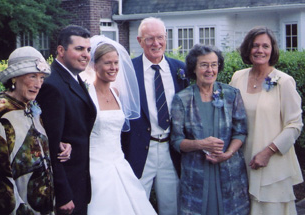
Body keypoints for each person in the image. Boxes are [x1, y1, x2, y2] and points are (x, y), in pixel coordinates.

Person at [0, 46, 72, 214]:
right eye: (32, 76)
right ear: (14, 78)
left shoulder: (31, 107)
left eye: (42, 78)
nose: (38, 84)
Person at [230, 26, 303, 215]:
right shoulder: (238, 77)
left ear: (272, 50)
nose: (260, 50)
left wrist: (268, 152)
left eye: (265, 46)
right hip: (242, 163)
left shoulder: (284, 82)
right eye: (255, 45)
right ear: (248, 48)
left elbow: (294, 125)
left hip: (272, 164)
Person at [170, 44, 250, 214]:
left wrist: (227, 153)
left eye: (214, 64)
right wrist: (201, 144)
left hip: (229, 173)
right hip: (196, 175)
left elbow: (241, 131)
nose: (210, 70)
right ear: (194, 68)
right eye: (204, 65)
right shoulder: (182, 99)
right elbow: (176, 141)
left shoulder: (231, 94)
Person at [121, 17, 189, 215]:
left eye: (160, 37)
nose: (156, 43)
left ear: (166, 38)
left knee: (172, 206)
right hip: (140, 150)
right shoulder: (127, 70)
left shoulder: (180, 69)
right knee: (135, 206)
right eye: (150, 39)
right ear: (140, 41)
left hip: (170, 150)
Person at [82, 35, 157, 215]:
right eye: (108, 63)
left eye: (116, 63)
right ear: (94, 65)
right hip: (95, 168)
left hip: (119, 163)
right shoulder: (86, 96)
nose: (114, 67)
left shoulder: (116, 92)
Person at [36, 25, 97, 215]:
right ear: (61, 51)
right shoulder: (53, 85)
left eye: (88, 50)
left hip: (79, 180)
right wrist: (63, 193)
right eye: (79, 49)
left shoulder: (73, 78)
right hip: (67, 185)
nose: (86, 55)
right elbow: (52, 145)